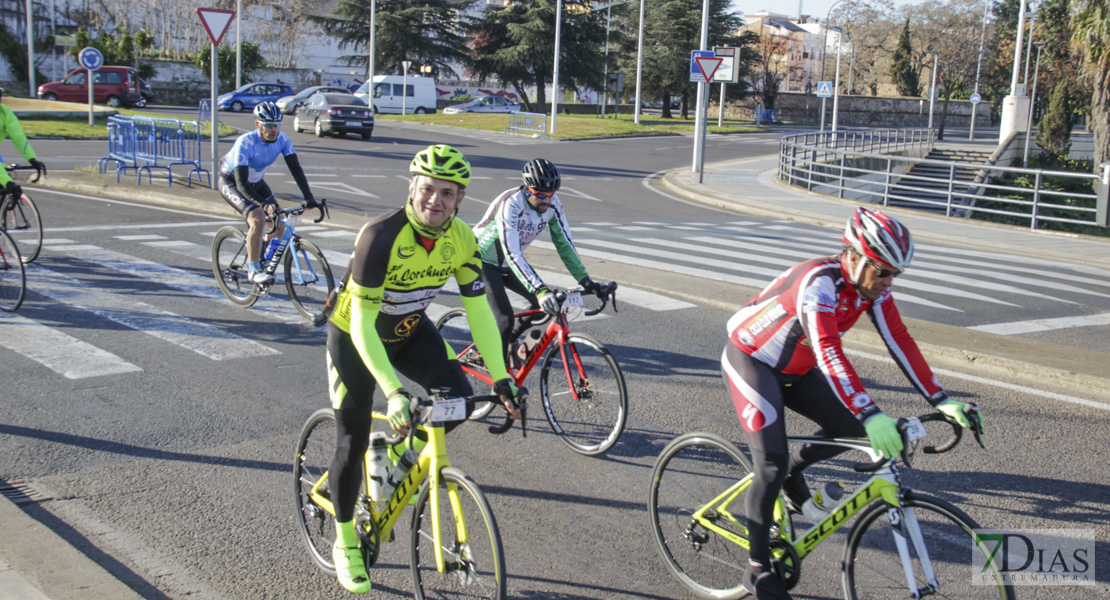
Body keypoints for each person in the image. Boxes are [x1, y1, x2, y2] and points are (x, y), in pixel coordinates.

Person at [721, 207, 983, 600]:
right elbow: (828, 352)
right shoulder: (819, 284)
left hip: (796, 368)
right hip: (753, 361)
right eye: (883, 271)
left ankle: (795, 473)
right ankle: (757, 569)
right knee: (770, 465)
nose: (889, 281)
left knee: (848, 430)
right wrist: (871, 410)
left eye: (896, 273)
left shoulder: (869, 288)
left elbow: (900, 341)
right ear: (855, 257)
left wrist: (941, 399)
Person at [324, 144, 521, 594]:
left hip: (411, 329)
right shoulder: (380, 236)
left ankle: (392, 455)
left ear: (460, 200)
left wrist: (505, 379)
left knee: (460, 397)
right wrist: (393, 391)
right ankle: (346, 541)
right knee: (351, 440)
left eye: (447, 193)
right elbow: (362, 324)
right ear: (411, 189)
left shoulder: (462, 240)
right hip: (356, 337)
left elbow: (478, 315)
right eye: (427, 189)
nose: (436, 200)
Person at [473, 158, 607, 364]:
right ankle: (497, 376)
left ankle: (508, 342)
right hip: (484, 260)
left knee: (540, 306)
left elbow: (565, 244)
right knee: (505, 318)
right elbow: (512, 252)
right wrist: (540, 289)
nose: (547, 200)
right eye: (541, 195)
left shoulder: (553, 205)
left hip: (508, 263)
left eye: (551, 194)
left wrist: (586, 280)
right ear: (528, 190)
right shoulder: (512, 203)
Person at [218, 101, 317, 284]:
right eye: (269, 125)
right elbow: (241, 183)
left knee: (279, 224)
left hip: (256, 182)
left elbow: (295, 169)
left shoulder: (282, 139)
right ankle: (254, 270)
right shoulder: (245, 142)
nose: (273, 129)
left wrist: (309, 197)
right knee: (257, 218)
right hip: (232, 181)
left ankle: (260, 252)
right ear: (258, 125)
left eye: (277, 125)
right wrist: (263, 205)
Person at [0, 87, 48, 201]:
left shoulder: (4, 113)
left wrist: (32, 159)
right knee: (5, 180)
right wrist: (8, 182)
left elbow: (19, 138)